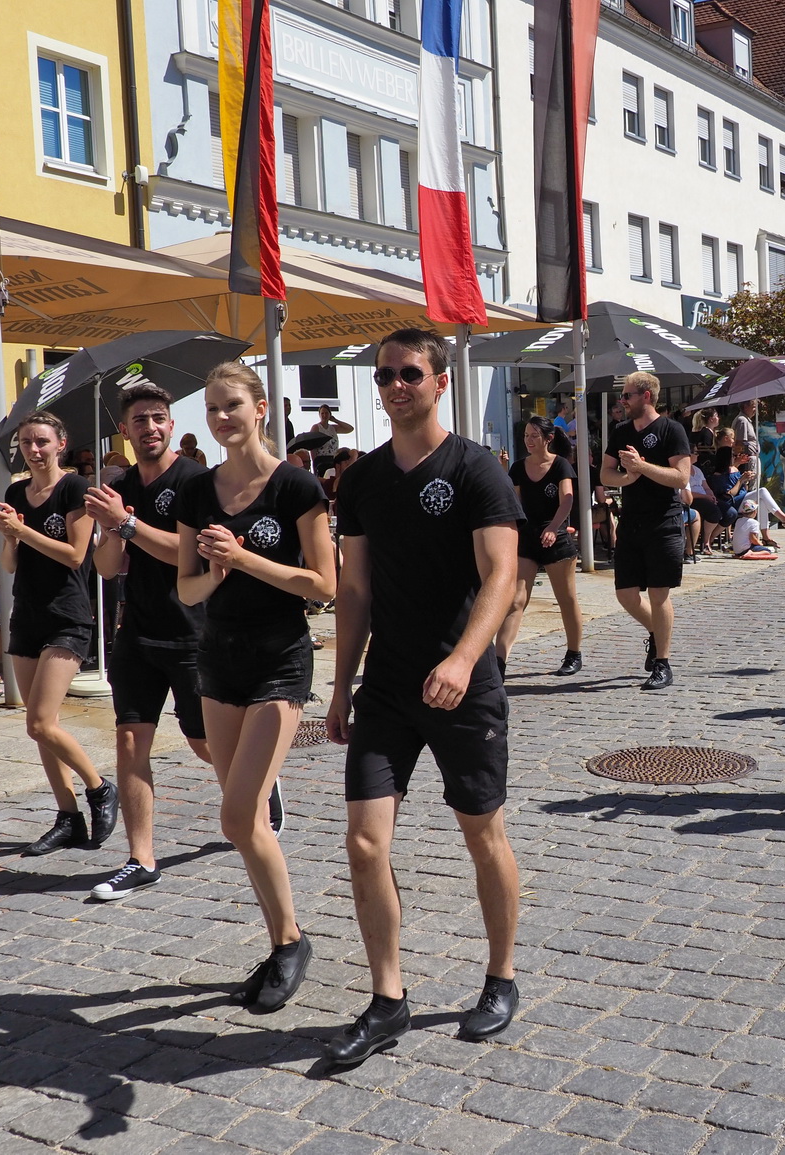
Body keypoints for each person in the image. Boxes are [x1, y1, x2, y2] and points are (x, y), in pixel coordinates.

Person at [325, 327, 524, 1062]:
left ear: (440, 381)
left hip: (463, 687)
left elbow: (501, 574)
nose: (395, 386)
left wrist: (468, 659)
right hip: (387, 689)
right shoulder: (363, 480)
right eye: (384, 376)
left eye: (410, 373)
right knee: (365, 842)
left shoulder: (475, 469)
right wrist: (341, 686)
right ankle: (388, 999)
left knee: (483, 834)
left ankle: (501, 976)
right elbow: (354, 589)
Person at [176, 363, 336, 1008]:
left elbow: (323, 586)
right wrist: (216, 571)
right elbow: (185, 587)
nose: (220, 418)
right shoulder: (197, 490)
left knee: (238, 814)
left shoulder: (296, 485)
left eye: (231, 406)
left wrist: (245, 559)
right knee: (248, 824)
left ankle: (289, 941)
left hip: (279, 660)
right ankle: (286, 937)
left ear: (261, 408)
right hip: (218, 659)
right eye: (211, 408)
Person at [84, 382, 214, 901]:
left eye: (159, 418)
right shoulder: (121, 487)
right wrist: (111, 528)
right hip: (136, 631)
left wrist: (128, 523)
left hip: (193, 631)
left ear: (172, 425)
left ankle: (260, 782)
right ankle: (141, 859)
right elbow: (106, 567)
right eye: (140, 420)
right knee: (130, 739)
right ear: (126, 430)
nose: (151, 428)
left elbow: (189, 555)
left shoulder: (197, 482)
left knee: (205, 743)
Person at [0, 412, 118, 856]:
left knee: (41, 720)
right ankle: (68, 817)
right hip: (28, 612)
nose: (34, 450)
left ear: (61, 443)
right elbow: (9, 564)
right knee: (41, 728)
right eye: (26, 443)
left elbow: (75, 555)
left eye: (42, 441)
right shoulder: (14, 491)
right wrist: (9, 536)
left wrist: (23, 529)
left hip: (68, 613)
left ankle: (100, 788)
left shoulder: (75, 489)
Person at [603, 372, 693, 691]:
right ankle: (657, 631)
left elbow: (681, 478)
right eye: (623, 396)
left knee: (658, 593)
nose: (622, 401)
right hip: (631, 521)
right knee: (625, 594)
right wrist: (628, 478)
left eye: (627, 396)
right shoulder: (621, 431)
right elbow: (606, 474)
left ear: (647, 397)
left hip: (664, 521)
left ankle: (662, 663)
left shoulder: (672, 430)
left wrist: (641, 467)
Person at [495, 417, 583, 676]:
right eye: (526, 436)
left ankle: (574, 653)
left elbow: (566, 500)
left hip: (556, 537)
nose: (529, 441)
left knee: (565, 599)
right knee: (516, 600)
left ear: (548, 438)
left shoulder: (561, 465)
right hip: (527, 538)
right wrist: (502, 470)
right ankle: (499, 662)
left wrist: (554, 528)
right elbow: (512, 501)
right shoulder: (519, 467)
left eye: (534, 435)